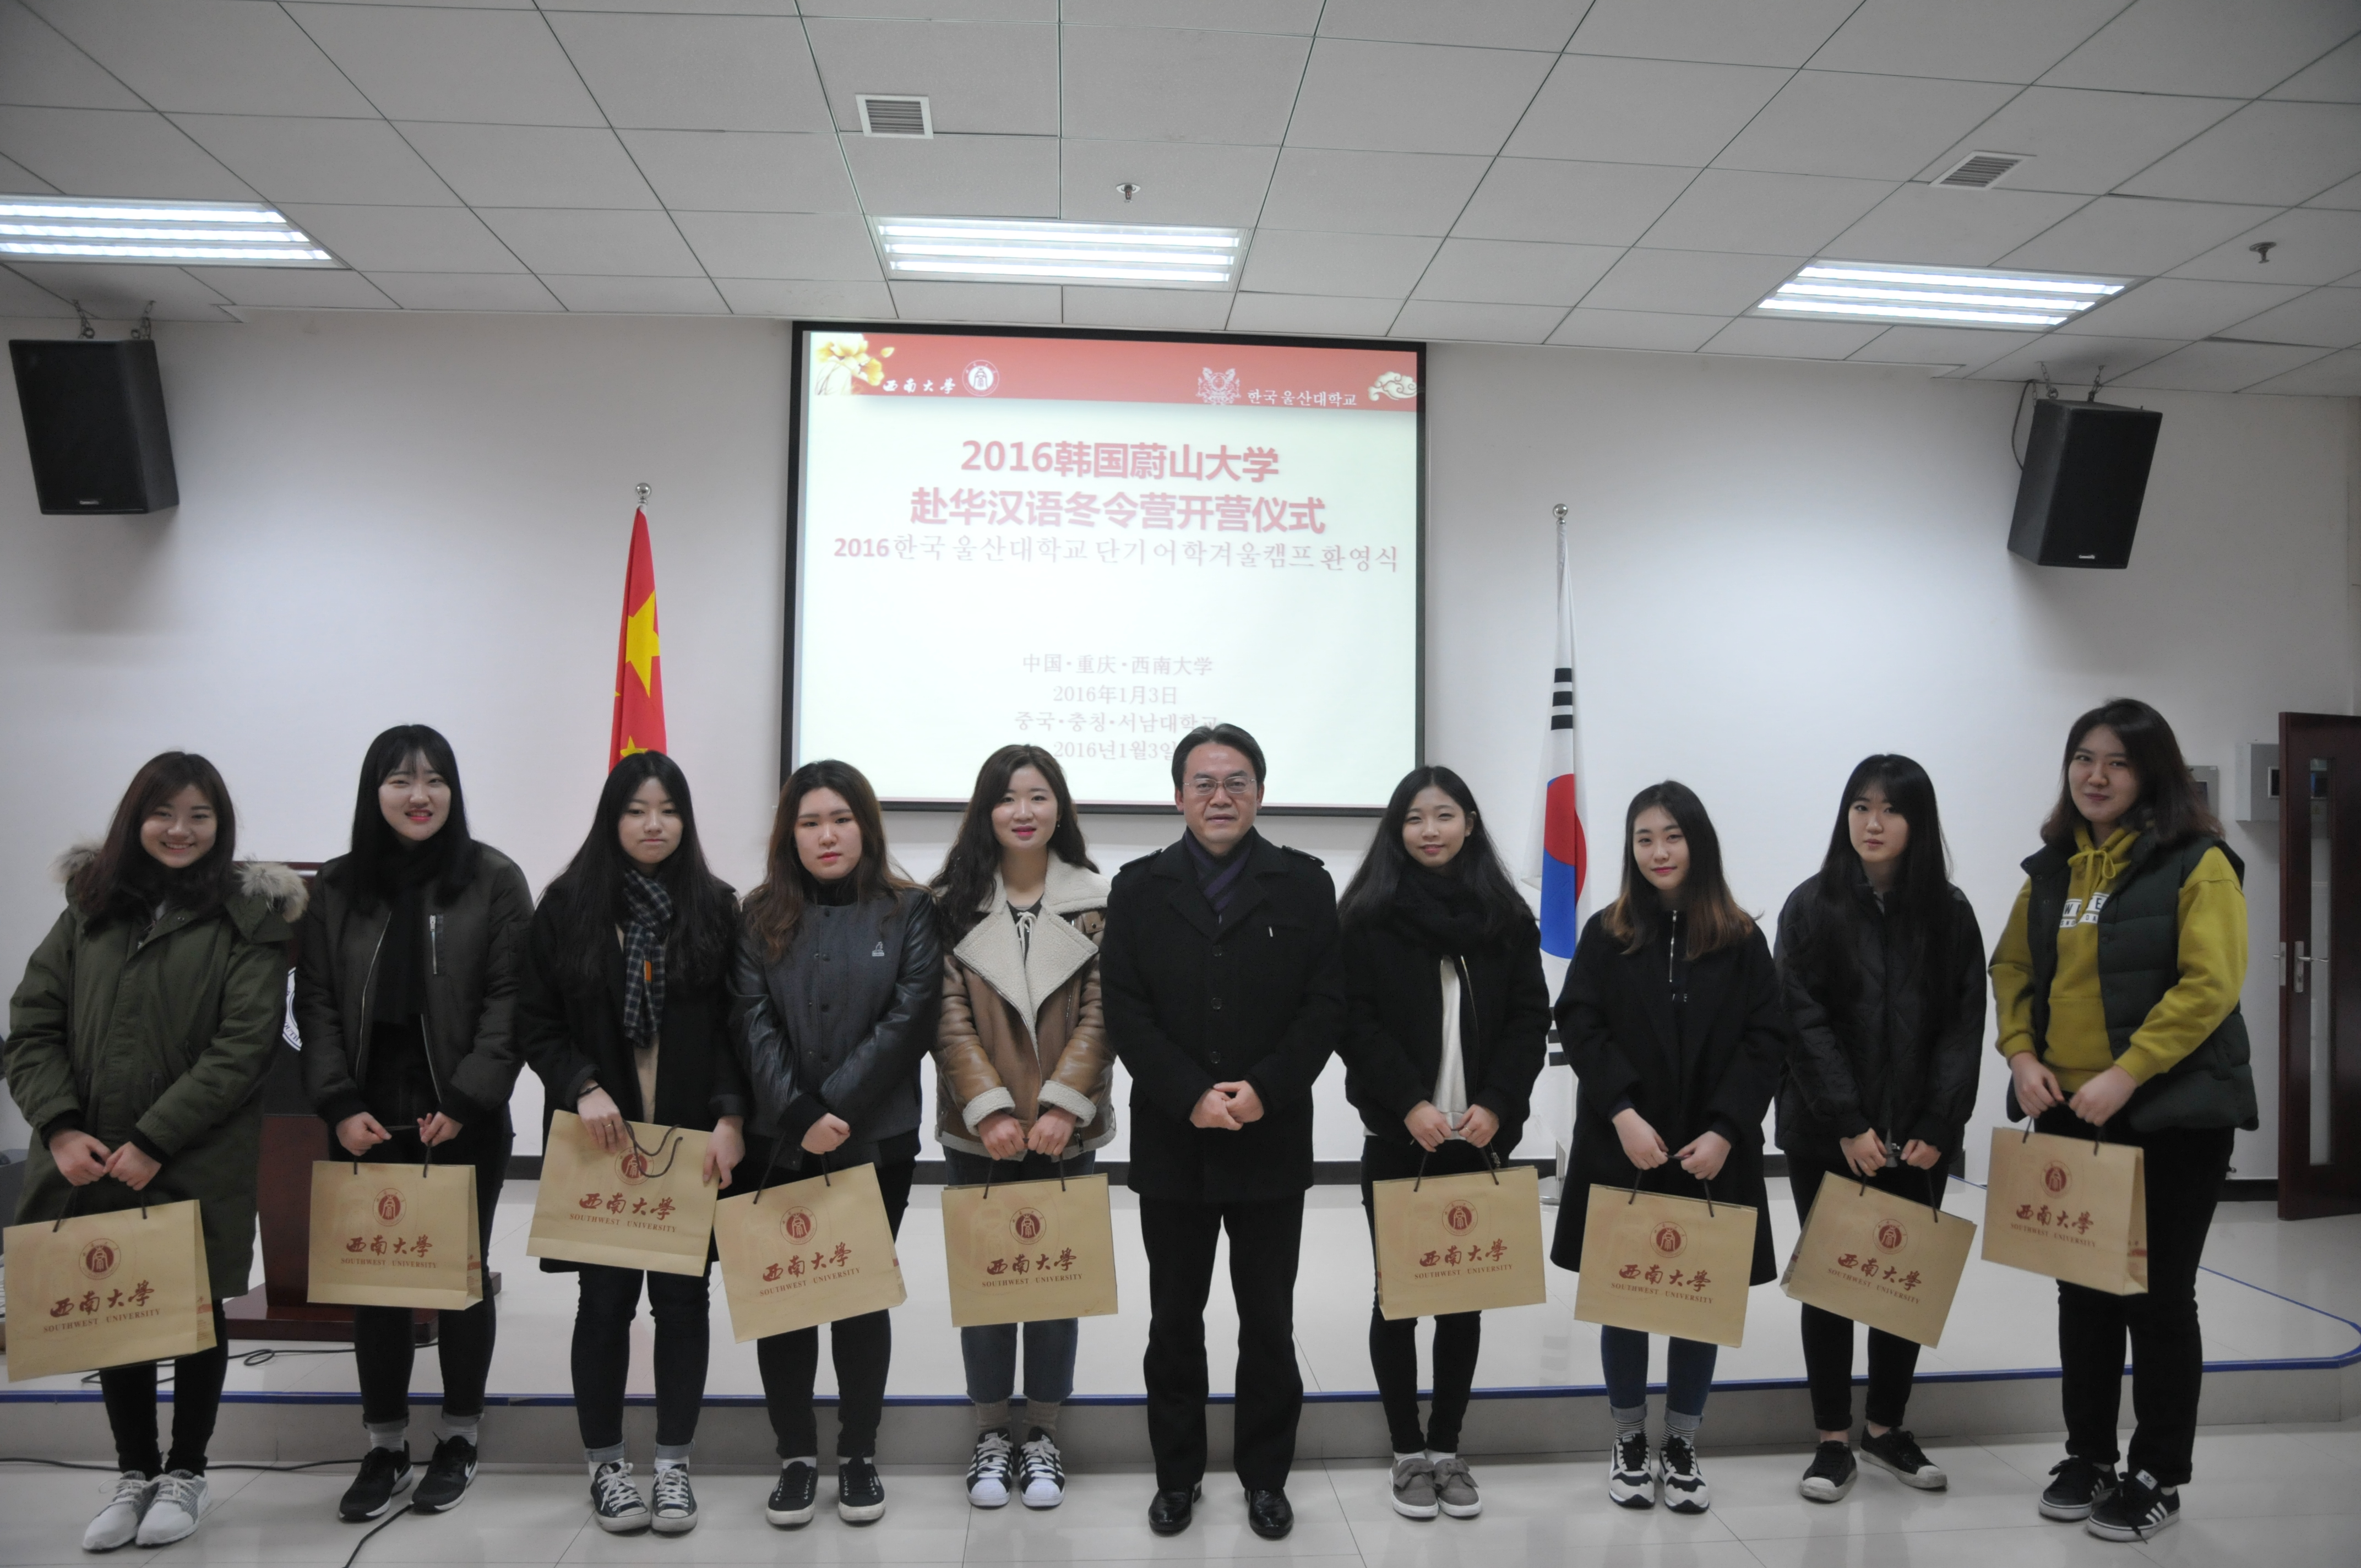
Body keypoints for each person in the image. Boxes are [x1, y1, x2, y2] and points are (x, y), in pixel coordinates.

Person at [8, 753, 304, 1552]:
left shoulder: (249, 916)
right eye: (164, 813)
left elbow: (243, 1047)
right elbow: (32, 1025)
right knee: (115, 1308)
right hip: (87, 1149)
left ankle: (187, 1471)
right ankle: (134, 1471)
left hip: (193, 1151)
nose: (180, 830)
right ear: (135, 820)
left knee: (194, 1308)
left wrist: (151, 1140)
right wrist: (60, 1127)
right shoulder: (91, 907)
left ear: (221, 825)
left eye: (200, 815)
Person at [1990, 699, 2255, 1543]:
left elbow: (2210, 986)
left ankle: (2157, 1474)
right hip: (2069, 1112)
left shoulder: (2198, 863)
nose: (2095, 776)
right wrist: (2021, 1055)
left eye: (2118, 762)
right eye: (2083, 758)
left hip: (2171, 1116)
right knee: (2084, 1294)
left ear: (2153, 774)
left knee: (2158, 1296)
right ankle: (2090, 1456)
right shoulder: (2053, 871)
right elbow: (2012, 968)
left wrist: (2127, 1073)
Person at [1100, 723, 1343, 1541]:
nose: (1220, 796)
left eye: (1237, 781)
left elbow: (1325, 1005)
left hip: (1270, 1139)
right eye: (1202, 783)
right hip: (1174, 1141)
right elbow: (1125, 1009)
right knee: (1174, 1321)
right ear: (1177, 796)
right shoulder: (1139, 888)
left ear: (1261, 794)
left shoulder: (1305, 885)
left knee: (1268, 1322)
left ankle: (1266, 1477)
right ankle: (1177, 1477)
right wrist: (1189, 1095)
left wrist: (1265, 1090)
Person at [517, 752, 759, 1536]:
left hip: (690, 1141)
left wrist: (731, 1117)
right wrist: (582, 1084)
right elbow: (535, 1021)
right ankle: (607, 1467)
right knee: (605, 1303)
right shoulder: (567, 907)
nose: (654, 825)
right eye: (636, 810)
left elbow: (734, 1026)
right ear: (611, 818)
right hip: (601, 1143)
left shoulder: (715, 907)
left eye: (669, 810)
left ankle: (675, 1466)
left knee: (684, 1304)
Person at [297, 725, 534, 1522]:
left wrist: (467, 1101)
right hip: (364, 1116)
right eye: (400, 780)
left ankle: (460, 1436)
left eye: (435, 779)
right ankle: (385, 1444)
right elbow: (315, 1002)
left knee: (459, 1280)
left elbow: (512, 999)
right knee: (375, 1286)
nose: (419, 795)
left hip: (461, 1115)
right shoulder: (336, 887)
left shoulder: (493, 879)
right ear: (376, 793)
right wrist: (337, 1103)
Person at [1551, 781, 1785, 1516]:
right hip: (1625, 1145)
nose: (1658, 851)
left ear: (1698, 843)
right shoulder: (1608, 931)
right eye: (1644, 838)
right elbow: (1580, 1024)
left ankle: (1681, 1441)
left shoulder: (1741, 938)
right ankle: (1628, 1438)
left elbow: (1767, 1040)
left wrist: (1726, 1129)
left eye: (1672, 836)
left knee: (1697, 1299)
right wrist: (1621, 1111)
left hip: (1710, 1152)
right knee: (1623, 1295)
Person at [732, 759, 940, 1529]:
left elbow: (909, 1021)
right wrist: (797, 1113)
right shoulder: (758, 915)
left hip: (876, 1140)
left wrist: (834, 1111)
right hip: (777, 1141)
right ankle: (794, 1455)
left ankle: (858, 1454)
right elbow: (749, 1019)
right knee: (785, 1300)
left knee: (858, 1297)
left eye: (842, 819)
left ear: (866, 827)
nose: (828, 835)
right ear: (790, 834)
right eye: (811, 821)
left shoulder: (909, 911)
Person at [1336, 766, 1547, 1522]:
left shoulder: (1505, 918)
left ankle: (1448, 1449)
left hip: (1480, 1137)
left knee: (1463, 1299)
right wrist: (1409, 1104)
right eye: (1415, 818)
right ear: (1397, 830)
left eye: (1445, 815)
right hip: (1402, 1137)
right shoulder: (1367, 916)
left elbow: (1529, 1018)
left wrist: (1498, 1103)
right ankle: (1406, 1452)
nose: (1430, 830)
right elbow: (1354, 1022)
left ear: (1469, 823)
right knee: (1398, 1298)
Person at [1774, 756, 1984, 1502]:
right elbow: (1801, 1023)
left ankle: (1887, 1428)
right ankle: (1833, 1439)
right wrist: (1849, 1122)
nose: (1873, 822)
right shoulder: (1812, 906)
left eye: (1891, 809)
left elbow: (1964, 1023)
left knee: (1902, 1281)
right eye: (1861, 806)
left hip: (1920, 1137)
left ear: (1917, 823)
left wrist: (1939, 1121)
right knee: (1832, 1284)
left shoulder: (1949, 912)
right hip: (1826, 1133)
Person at [929, 745, 1113, 1512]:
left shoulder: (1098, 901)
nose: (1024, 811)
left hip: (1069, 1132)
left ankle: (1041, 1432)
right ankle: (988, 1433)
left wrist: (1065, 1104)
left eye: (1039, 796)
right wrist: (992, 1110)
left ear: (1059, 807)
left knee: (1057, 1285)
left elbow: (1105, 1013)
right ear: (987, 811)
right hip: (980, 1133)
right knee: (988, 1288)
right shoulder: (950, 904)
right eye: (1008, 798)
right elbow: (947, 1018)